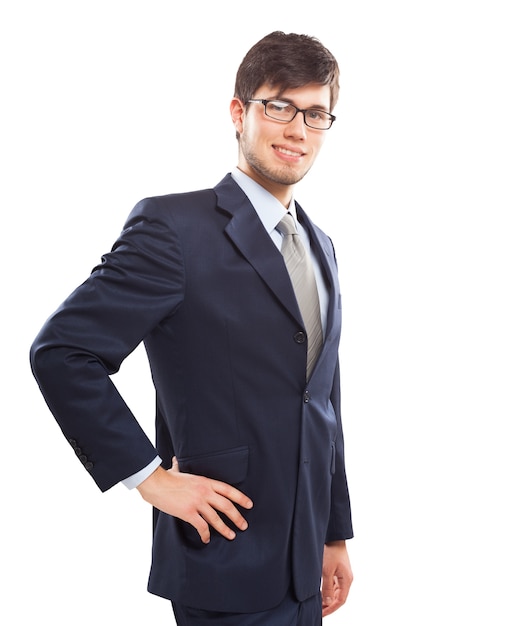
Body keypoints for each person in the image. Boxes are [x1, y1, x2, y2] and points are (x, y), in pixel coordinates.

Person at [30, 31, 353, 625]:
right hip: (223, 557)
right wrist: (149, 479)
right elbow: (63, 351)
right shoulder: (173, 229)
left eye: (315, 113)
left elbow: (323, 399)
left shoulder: (322, 246)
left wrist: (335, 532)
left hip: (306, 563)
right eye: (278, 106)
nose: (297, 129)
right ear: (239, 112)